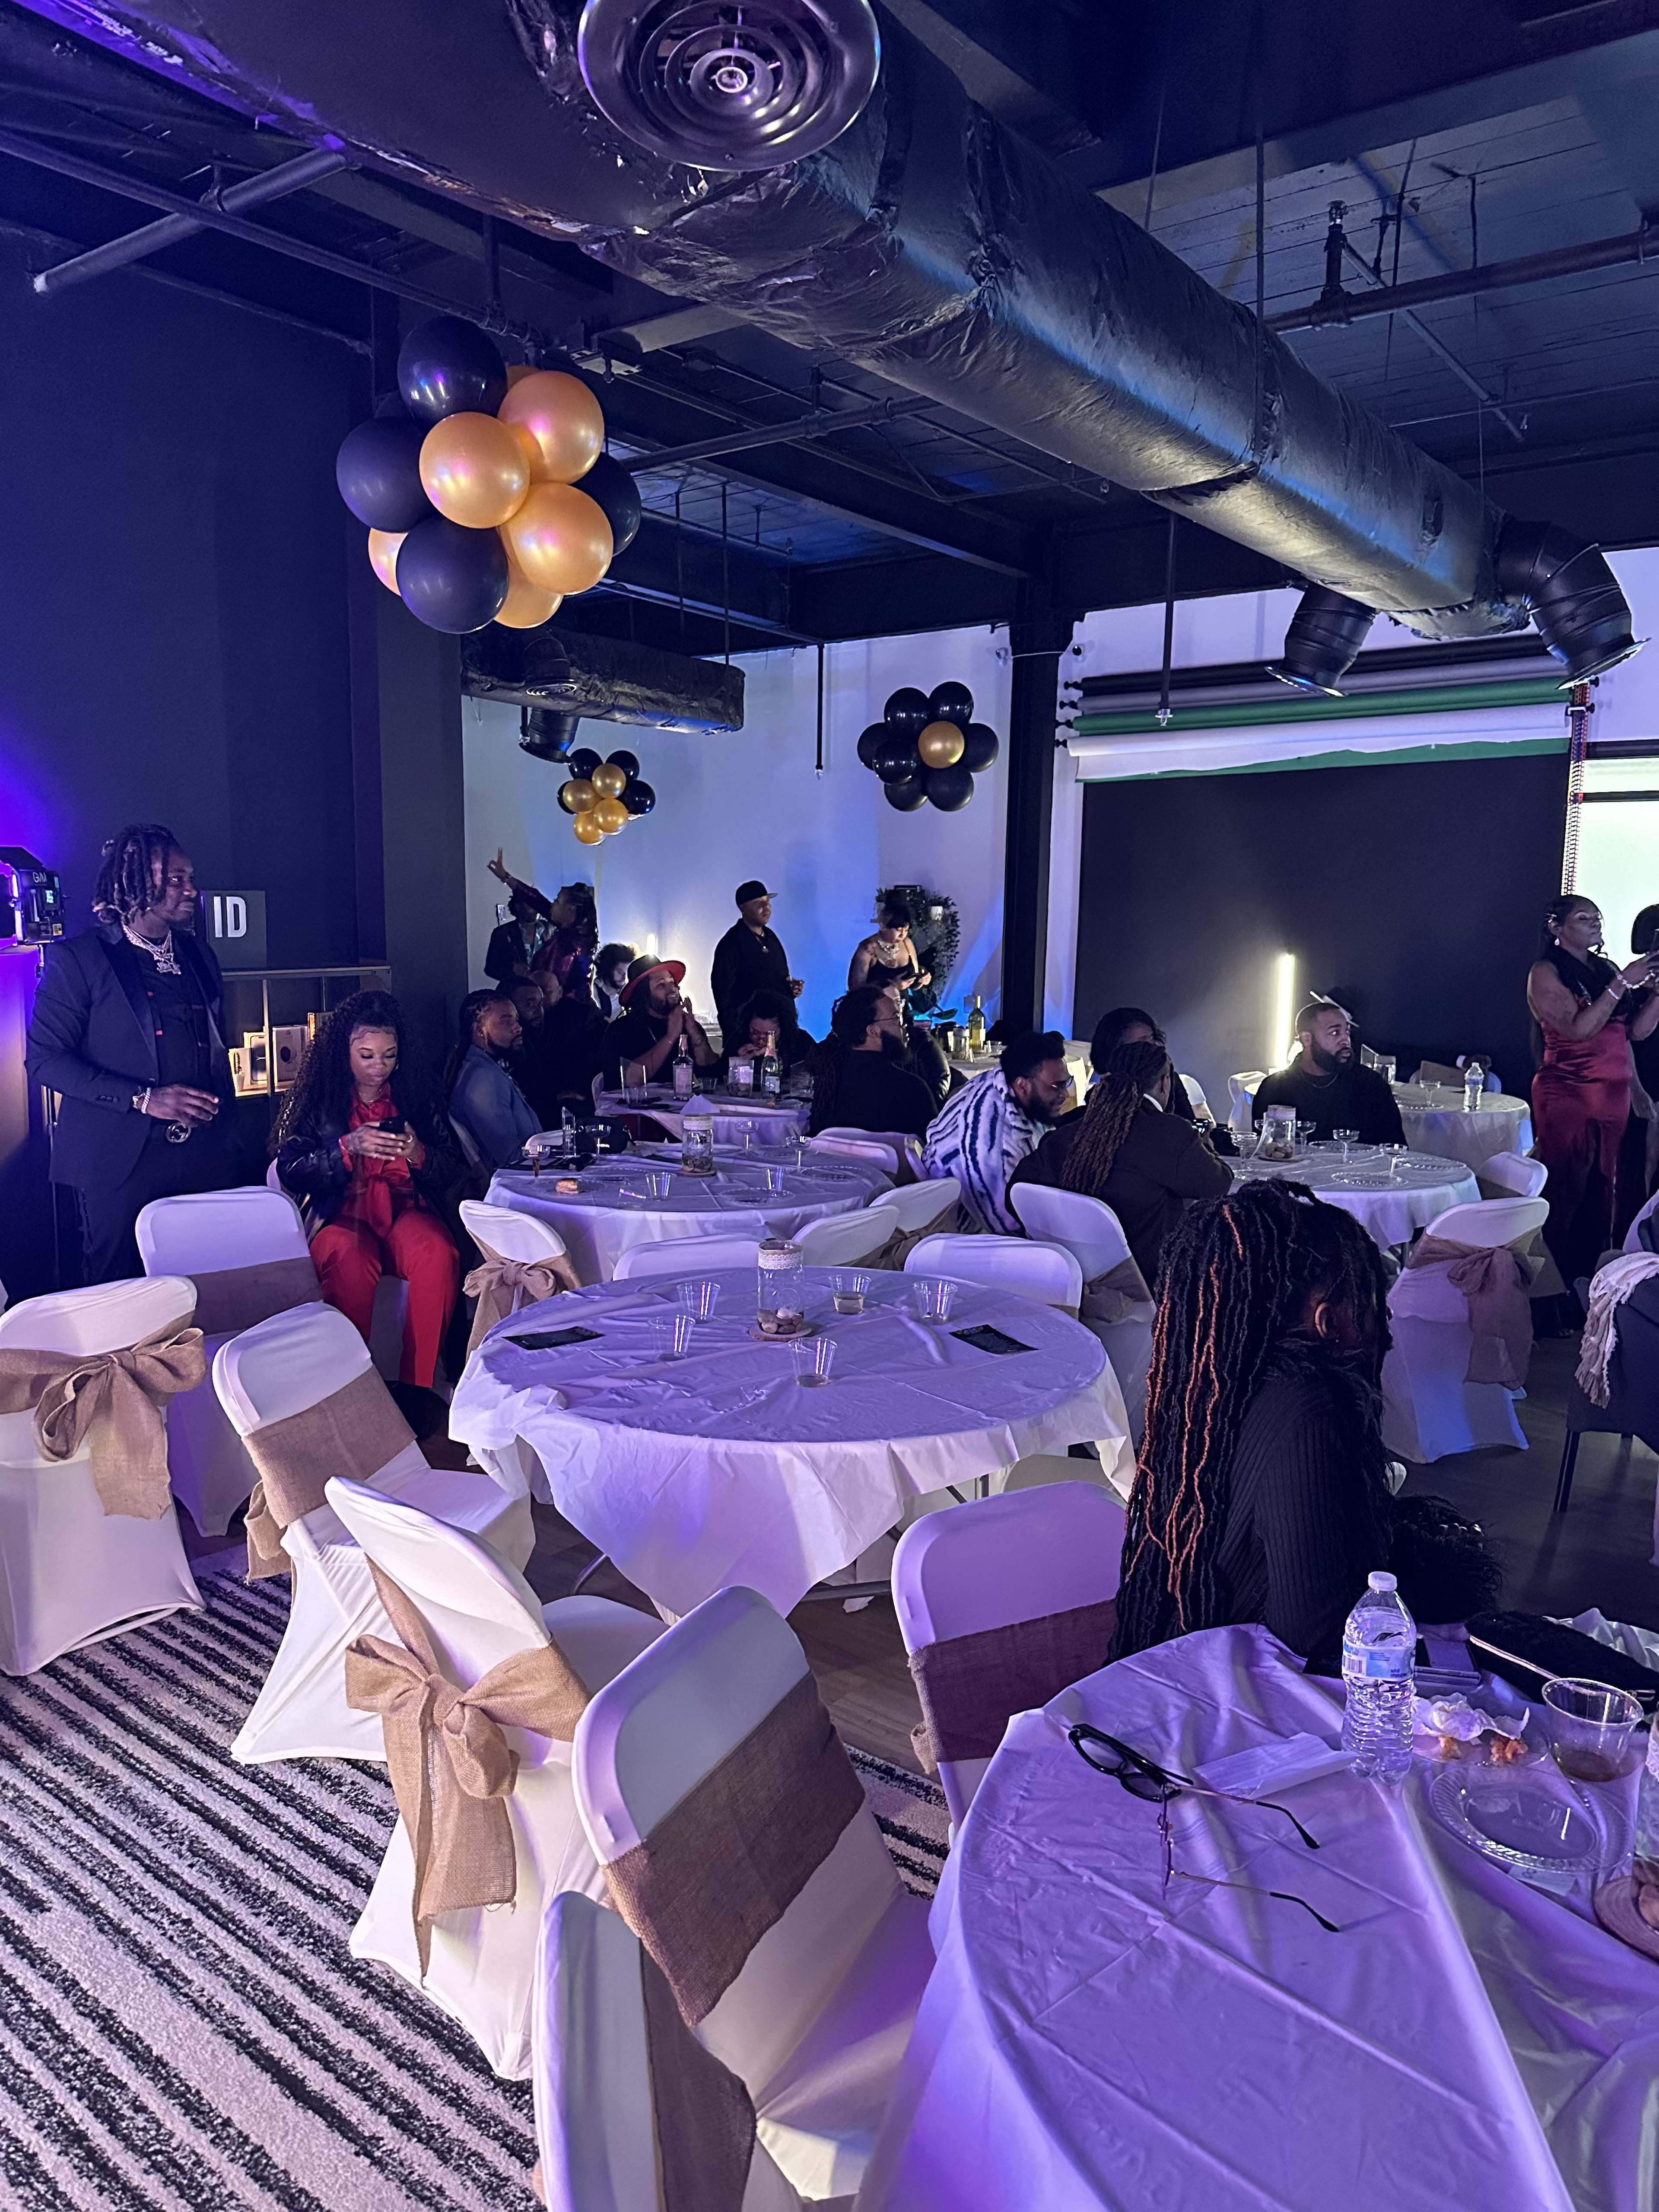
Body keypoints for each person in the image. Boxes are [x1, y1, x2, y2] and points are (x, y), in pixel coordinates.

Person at [1109, 1181, 1396, 1675]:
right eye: (1367, 1305)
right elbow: (1312, 1635)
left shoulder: (1207, 1387)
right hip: (1253, 1696)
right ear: (1326, 1321)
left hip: (1188, 1660)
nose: (1380, 1321)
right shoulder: (1309, 1409)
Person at [25, 823, 235, 1282]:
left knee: (199, 1283)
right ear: (136, 880)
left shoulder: (199, 954)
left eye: (190, 878)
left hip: (200, 1153)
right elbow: (44, 1059)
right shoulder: (80, 959)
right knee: (119, 1289)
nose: (190, 890)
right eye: (176, 879)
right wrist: (144, 1098)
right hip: (118, 1159)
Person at [271, 989, 460, 1393]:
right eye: (367, 1055)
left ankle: (419, 1390)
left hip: (403, 1210)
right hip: (340, 1213)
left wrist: (418, 1153)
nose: (379, 1067)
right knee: (350, 1257)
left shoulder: (415, 1097)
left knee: (437, 1254)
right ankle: (350, 1389)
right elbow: (290, 1169)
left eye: (389, 1055)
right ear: (346, 1052)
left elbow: (451, 1166)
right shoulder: (319, 1101)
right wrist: (346, 1147)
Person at [1011, 1039, 1233, 1287]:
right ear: (1164, 1082)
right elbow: (1218, 1184)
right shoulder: (1170, 1135)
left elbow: (1017, 1195)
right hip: (1147, 1290)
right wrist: (1205, 1143)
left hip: (1067, 1286)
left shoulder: (1066, 1132)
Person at [1527, 894, 1659, 1282]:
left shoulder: (1605, 969)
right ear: (1557, 927)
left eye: (1597, 917)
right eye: (1584, 918)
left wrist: (1655, 995)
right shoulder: (1545, 972)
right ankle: (1547, 1293)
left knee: (1605, 1195)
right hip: (1569, 1091)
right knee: (1565, 1190)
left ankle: (1587, 1283)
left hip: (1612, 1095)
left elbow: (1634, 1031)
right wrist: (1622, 983)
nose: (1595, 923)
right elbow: (1579, 1029)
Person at [921, 1029, 1073, 1233]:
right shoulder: (992, 1147)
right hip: (970, 1238)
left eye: (1067, 1083)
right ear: (1023, 1085)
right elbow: (1005, 1229)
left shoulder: (1001, 1082)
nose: (1065, 1094)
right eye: (1058, 1086)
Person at [1251, 998, 1405, 1144]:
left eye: (1347, 1032)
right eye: (1335, 1033)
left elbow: (1394, 1147)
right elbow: (1266, 1153)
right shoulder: (1275, 1089)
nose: (1345, 1041)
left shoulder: (1370, 1084)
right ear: (1307, 1039)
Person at [806, 986, 935, 1140]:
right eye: (896, 1017)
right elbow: (935, 1150)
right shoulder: (912, 1088)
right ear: (873, 1031)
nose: (904, 1024)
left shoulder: (828, 1084)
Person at [444, 989, 542, 1169]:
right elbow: (511, 1160)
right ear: (480, 1031)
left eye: (516, 1019)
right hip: (518, 1183)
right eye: (506, 1022)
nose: (518, 1028)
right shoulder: (483, 1080)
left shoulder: (486, 1066)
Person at [486, 852, 597, 1000]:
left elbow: (549, 990)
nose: (553, 904)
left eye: (557, 901)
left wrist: (527, 974)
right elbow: (537, 900)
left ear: (570, 909)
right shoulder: (574, 930)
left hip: (561, 1014)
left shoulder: (568, 947)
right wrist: (506, 877)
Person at [710, 881, 804, 1046]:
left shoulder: (772, 938)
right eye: (759, 903)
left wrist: (790, 990)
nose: (767, 908)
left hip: (778, 1033)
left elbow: (778, 979)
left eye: (768, 902)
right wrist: (736, 1034)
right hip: (749, 1035)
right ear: (743, 908)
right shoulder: (731, 944)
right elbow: (723, 993)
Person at [604, 959, 718, 1087]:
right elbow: (630, 1081)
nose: (672, 989)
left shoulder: (687, 1025)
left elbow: (713, 1074)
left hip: (680, 1105)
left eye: (672, 983)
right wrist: (671, 1036)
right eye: (661, 985)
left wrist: (694, 1033)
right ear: (644, 994)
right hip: (635, 1106)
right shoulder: (621, 1031)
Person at [1089, 1006, 1208, 1126]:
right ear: (1116, 1051)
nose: (1155, 1047)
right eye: (1143, 1043)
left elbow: (1187, 1124)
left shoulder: (1169, 1079)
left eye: (1153, 1039)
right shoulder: (1100, 1095)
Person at [848, 900, 932, 1002]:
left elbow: (912, 980)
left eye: (906, 930)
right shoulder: (868, 949)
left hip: (901, 1008)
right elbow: (855, 990)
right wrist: (892, 986)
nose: (902, 935)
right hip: (877, 1009)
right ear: (884, 926)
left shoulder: (907, 943)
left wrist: (921, 981)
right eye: (898, 930)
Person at [724, 987, 814, 1077]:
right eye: (755, 1033)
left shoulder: (801, 1042)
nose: (760, 1041)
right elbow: (718, 1076)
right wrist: (740, 1064)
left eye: (769, 1035)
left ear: (783, 1029)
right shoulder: (739, 1039)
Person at [483, 887, 550, 987]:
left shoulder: (549, 928)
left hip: (546, 991)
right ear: (518, 907)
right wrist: (512, 970)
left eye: (537, 905)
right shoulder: (503, 933)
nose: (536, 909)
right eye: (531, 905)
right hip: (517, 994)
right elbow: (491, 969)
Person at [593, 941, 636, 1022]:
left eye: (627, 973)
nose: (624, 977)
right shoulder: (593, 991)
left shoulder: (629, 992)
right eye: (620, 972)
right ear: (607, 969)